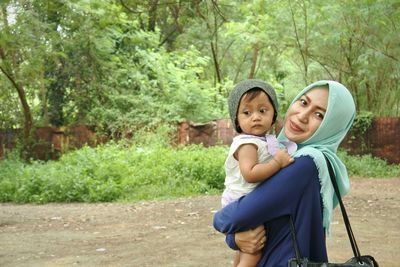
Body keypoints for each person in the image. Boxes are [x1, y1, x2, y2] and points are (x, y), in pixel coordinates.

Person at [213, 80, 356, 267]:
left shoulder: (306, 163)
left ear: (332, 125)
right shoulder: (285, 152)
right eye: (304, 102)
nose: (303, 116)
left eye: (319, 115)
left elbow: (232, 218)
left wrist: (227, 230)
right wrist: (237, 239)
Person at [221, 79, 296, 267]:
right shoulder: (247, 144)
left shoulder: (265, 140)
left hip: (247, 201)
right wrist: (278, 163)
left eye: (262, 111)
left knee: (244, 250)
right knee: (253, 252)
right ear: (236, 119)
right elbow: (250, 173)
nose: (255, 117)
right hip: (242, 202)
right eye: (247, 112)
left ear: (273, 115)